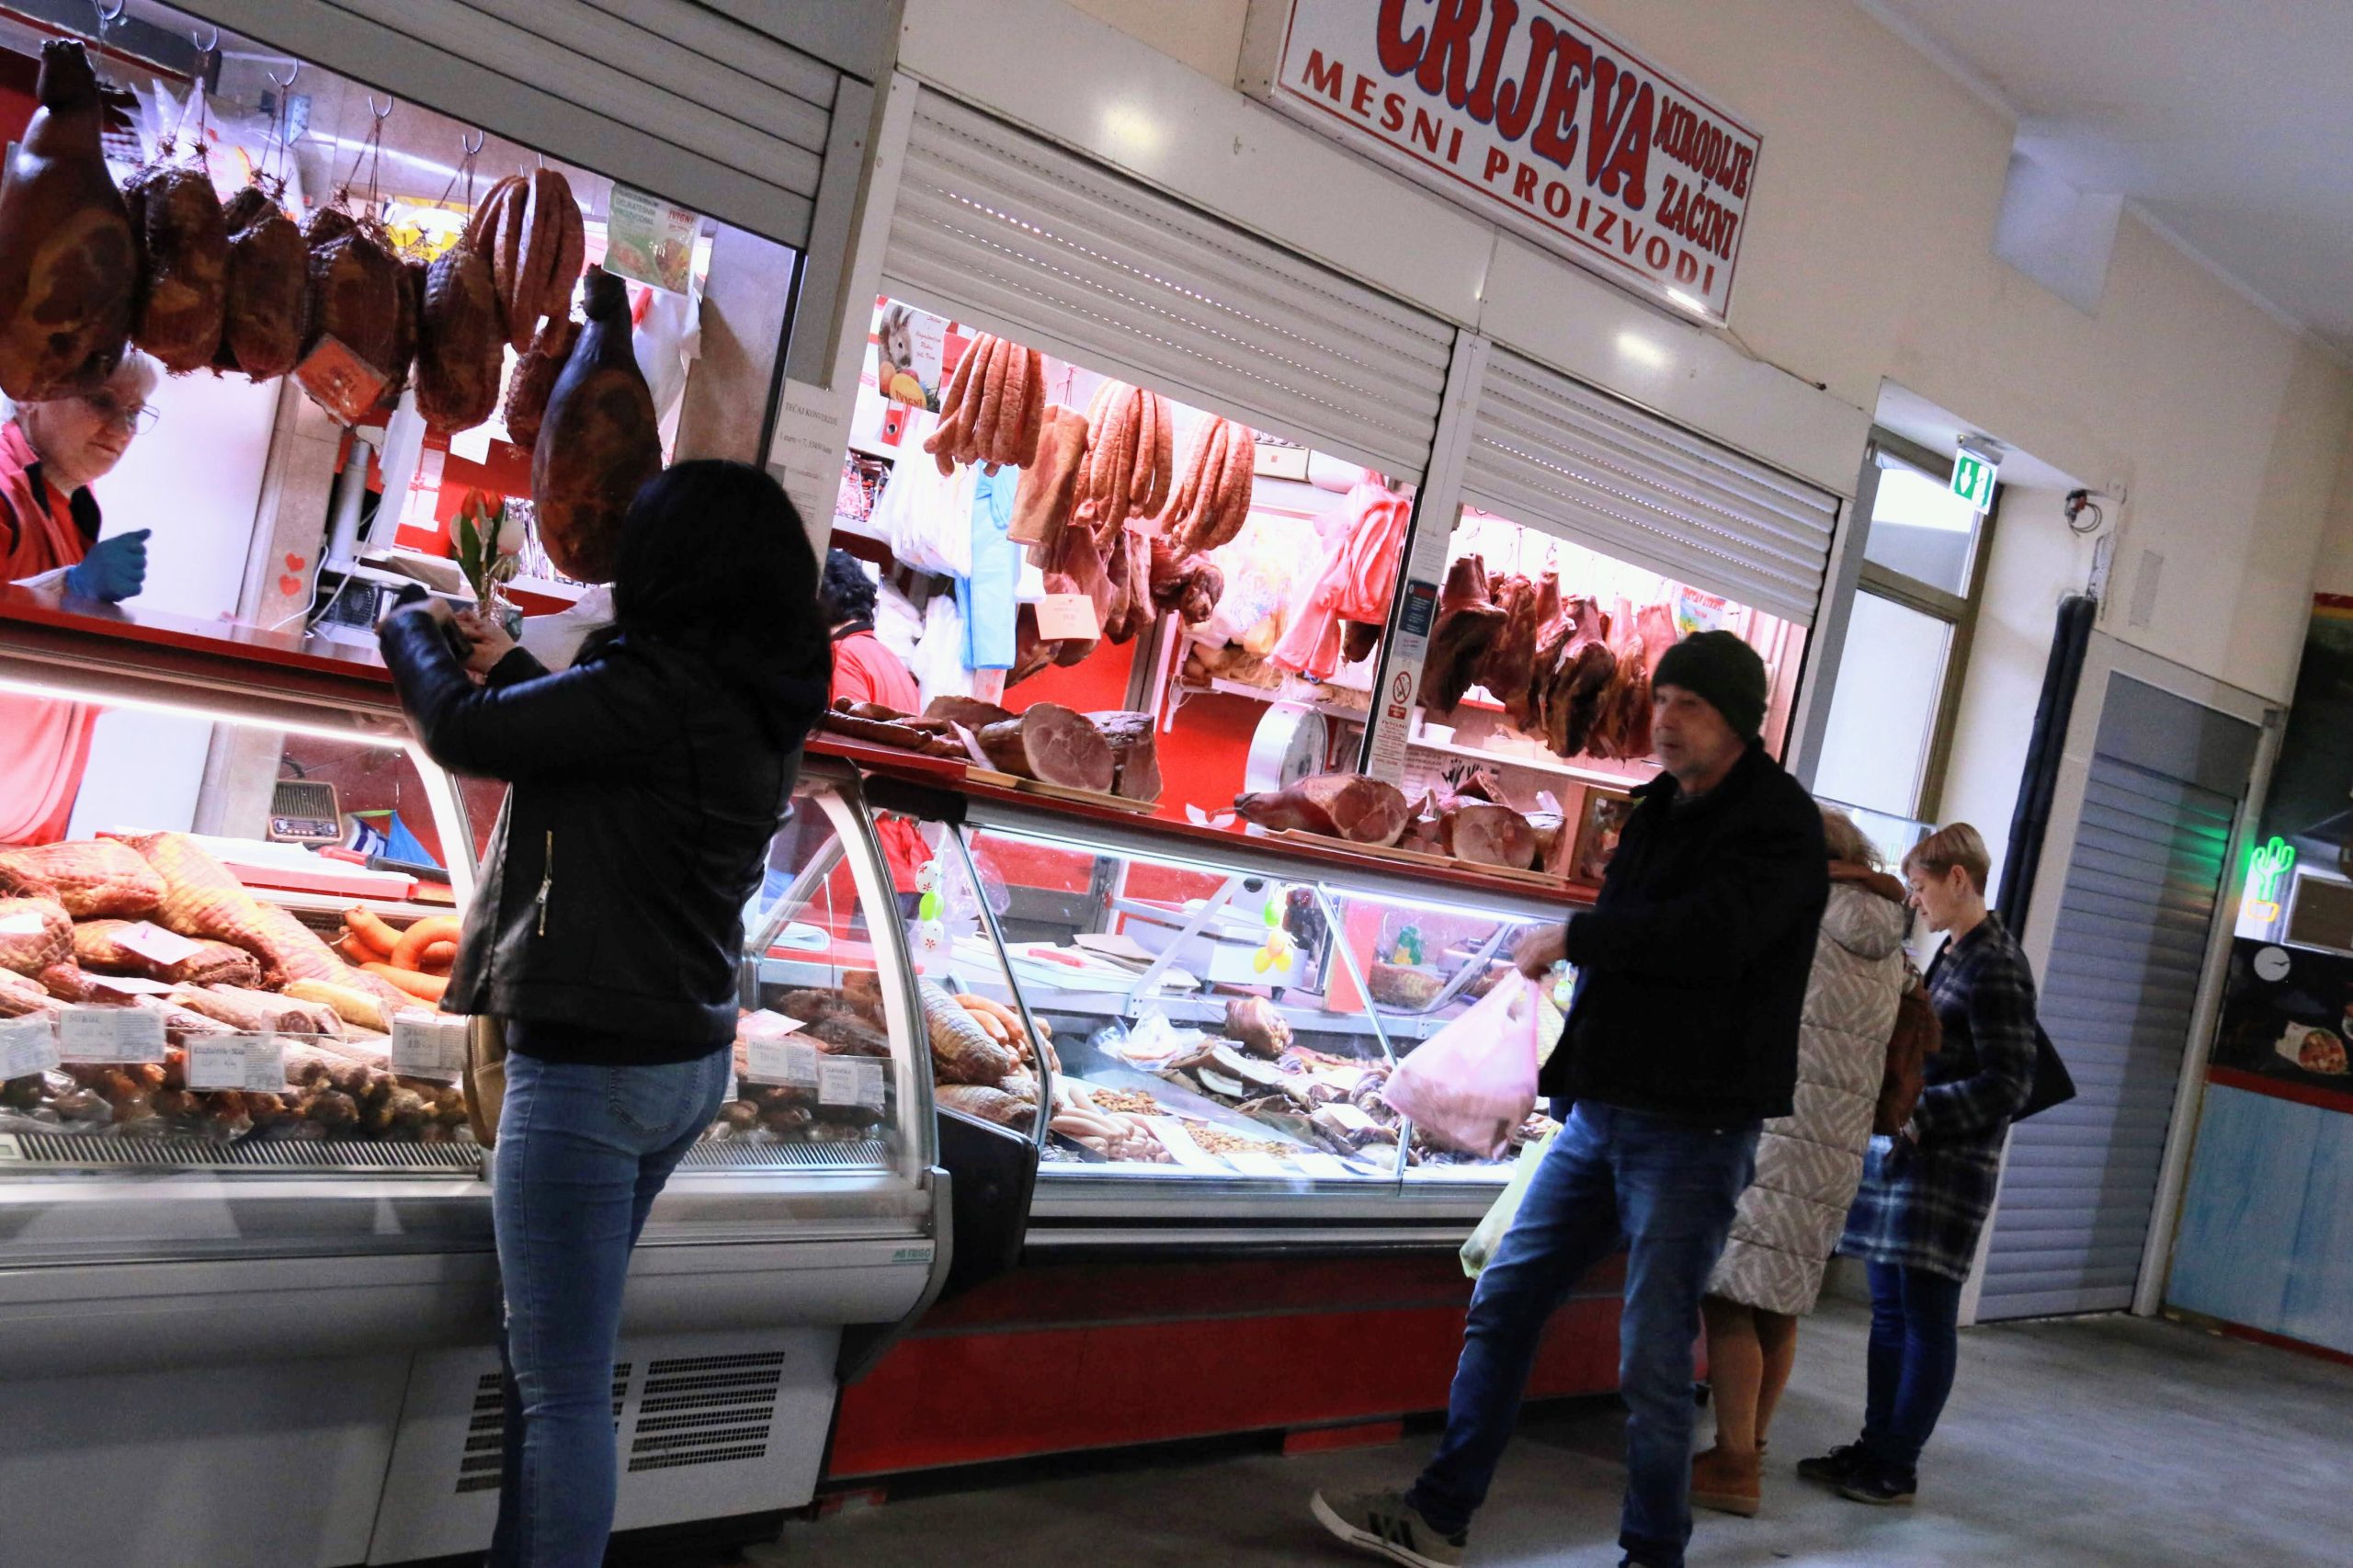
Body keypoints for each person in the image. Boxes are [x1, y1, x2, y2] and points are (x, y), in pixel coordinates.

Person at [377, 460, 830, 1568]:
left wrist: (407, 627)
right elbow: (591, 737)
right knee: (550, 1364)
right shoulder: (752, 695)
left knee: (563, 1389)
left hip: (593, 1069)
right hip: (681, 1058)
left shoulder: (659, 685)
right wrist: (513, 661)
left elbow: (465, 731)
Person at [1313, 631, 1829, 1568]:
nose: (1665, 719)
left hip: (1694, 1128)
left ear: (1739, 722)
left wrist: (1579, 937)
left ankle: (1651, 1553)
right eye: (1661, 699)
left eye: (1690, 705)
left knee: (1652, 1357)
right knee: (1506, 1296)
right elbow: (1631, 937)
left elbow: (1714, 937)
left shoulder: (1780, 825)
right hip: (1601, 1116)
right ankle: (1439, 1516)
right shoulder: (1660, 805)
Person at [1803, 822, 2037, 1507]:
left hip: (1949, 1168)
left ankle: (1897, 1465)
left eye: (1920, 884)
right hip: (1908, 1160)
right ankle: (1874, 1445)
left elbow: (2011, 1083)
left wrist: (1918, 1113)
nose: (1914, 899)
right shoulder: (1956, 953)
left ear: (1958, 878)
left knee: (1926, 1316)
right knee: (1889, 1313)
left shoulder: (1999, 962)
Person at [1690, 806, 1911, 1517]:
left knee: (1730, 1294)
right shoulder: (1888, 940)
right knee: (1780, 1302)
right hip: (1835, 1150)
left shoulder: (1797, 915)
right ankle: (1750, 1448)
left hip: (1772, 1134)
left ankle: (1732, 1464)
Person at [0, 353, 160, 844]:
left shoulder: (71, 505)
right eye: (102, 401)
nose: (122, 429)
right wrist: (69, 590)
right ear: (31, 394)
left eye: (134, 412)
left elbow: (50, 689)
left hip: (27, 840)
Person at [820, 547, 929, 899]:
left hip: (857, 859)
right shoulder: (888, 659)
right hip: (901, 857)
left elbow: (844, 764)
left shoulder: (843, 657)